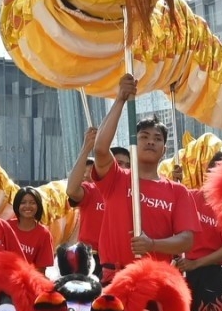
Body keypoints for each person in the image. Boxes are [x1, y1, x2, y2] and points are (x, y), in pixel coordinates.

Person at [72, 73, 195, 279]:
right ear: (133, 144)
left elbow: (186, 240)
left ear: (164, 150)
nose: (150, 141)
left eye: (157, 138)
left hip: (156, 279)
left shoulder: (178, 192)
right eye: (144, 137)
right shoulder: (116, 178)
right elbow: (101, 148)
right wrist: (120, 98)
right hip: (115, 277)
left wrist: (152, 244)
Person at [173, 152, 222, 311]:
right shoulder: (189, 197)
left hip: (209, 273)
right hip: (183, 270)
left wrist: (196, 263)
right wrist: (175, 181)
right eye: (215, 170)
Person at [9, 186, 54, 273]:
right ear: (17, 205)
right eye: (23, 202)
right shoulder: (6, 227)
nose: (27, 206)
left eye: (32, 203)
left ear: (38, 206)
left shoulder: (44, 234)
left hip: (29, 279)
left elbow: (41, 270)